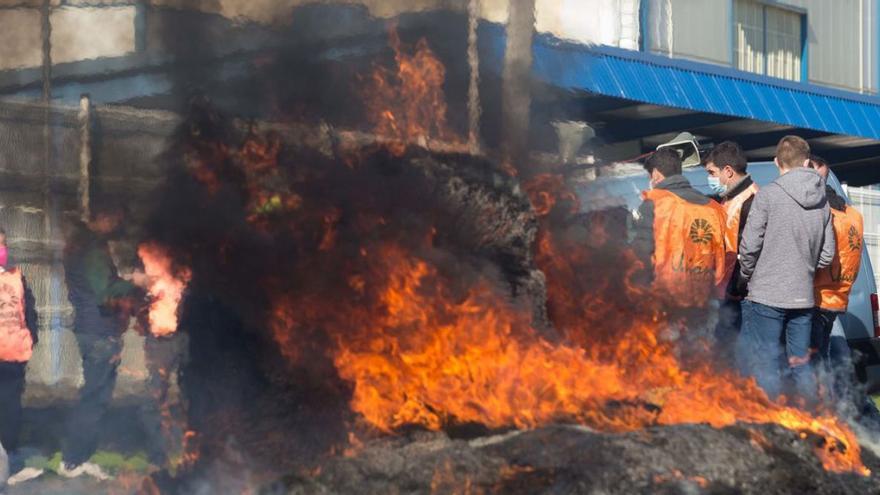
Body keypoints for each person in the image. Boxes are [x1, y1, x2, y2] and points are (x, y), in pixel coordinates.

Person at [736, 136, 834, 404]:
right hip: (803, 297)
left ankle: (772, 425)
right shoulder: (823, 202)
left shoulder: (768, 195)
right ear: (806, 162)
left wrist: (747, 275)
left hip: (767, 294)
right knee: (801, 365)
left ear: (776, 162)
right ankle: (807, 422)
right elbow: (827, 254)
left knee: (766, 362)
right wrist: (803, 266)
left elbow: (749, 246)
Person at [60, 203, 142, 479]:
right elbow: (104, 292)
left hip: (90, 329)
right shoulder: (93, 250)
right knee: (94, 398)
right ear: (103, 217)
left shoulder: (78, 246)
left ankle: (78, 456)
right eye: (115, 220)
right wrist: (134, 282)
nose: (117, 227)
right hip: (98, 332)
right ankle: (74, 459)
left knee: (94, 396)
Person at [633, 148, 729, 347]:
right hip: (705, 296)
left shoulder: (656, 203)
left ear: (656, 175)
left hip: (668, 300)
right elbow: (722, 255)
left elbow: (641, 253)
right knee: (701, 360)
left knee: (669, 361)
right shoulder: (715, 208)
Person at [703, 141, 758, 353]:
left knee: (740, 357)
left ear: (728, 170)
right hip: (727, 291)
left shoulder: (751, 201)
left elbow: (750, 251)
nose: (710, 178)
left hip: (740, 295)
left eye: (712, 172)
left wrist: (737, 287)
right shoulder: (729, 199)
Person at [0, 227, 39, 484]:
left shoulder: (17, 276)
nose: (2, 249)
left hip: (13, 355)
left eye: (3, 244)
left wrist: (31, 338)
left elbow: (30, 310)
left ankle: (9, 462)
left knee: (9, 409)